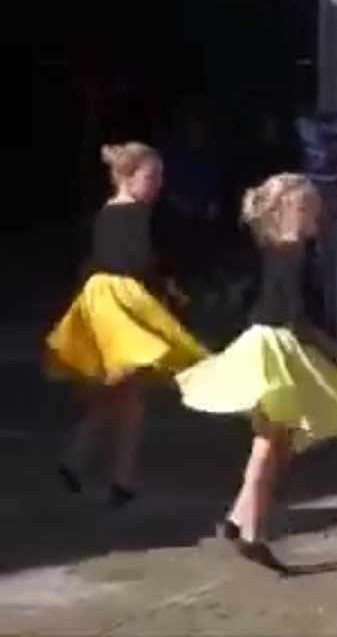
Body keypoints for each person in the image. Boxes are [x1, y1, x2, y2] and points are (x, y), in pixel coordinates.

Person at [175, 173, 337, 572]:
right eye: (308, 207)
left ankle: (238, 519)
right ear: (286, 210)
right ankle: (253, 532)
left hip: (272, 342)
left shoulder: (278, 247)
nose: (317, 214)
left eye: (316, 206)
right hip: (279, 345)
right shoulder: (293, 252)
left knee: (277, 441)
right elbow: (296, 316)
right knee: (270, 441)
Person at [45, 142, 211, 508]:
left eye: (160, 177)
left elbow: (103, 260)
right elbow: (132, 260)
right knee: (122, 386)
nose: (158, 184)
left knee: (127, 399)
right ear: (126, 176)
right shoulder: (131, 212)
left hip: (107, 298)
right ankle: (100, 469)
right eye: (152, 176)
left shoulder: (111, 211)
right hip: (118, 302)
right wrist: (163, 286)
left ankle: (103, 472)